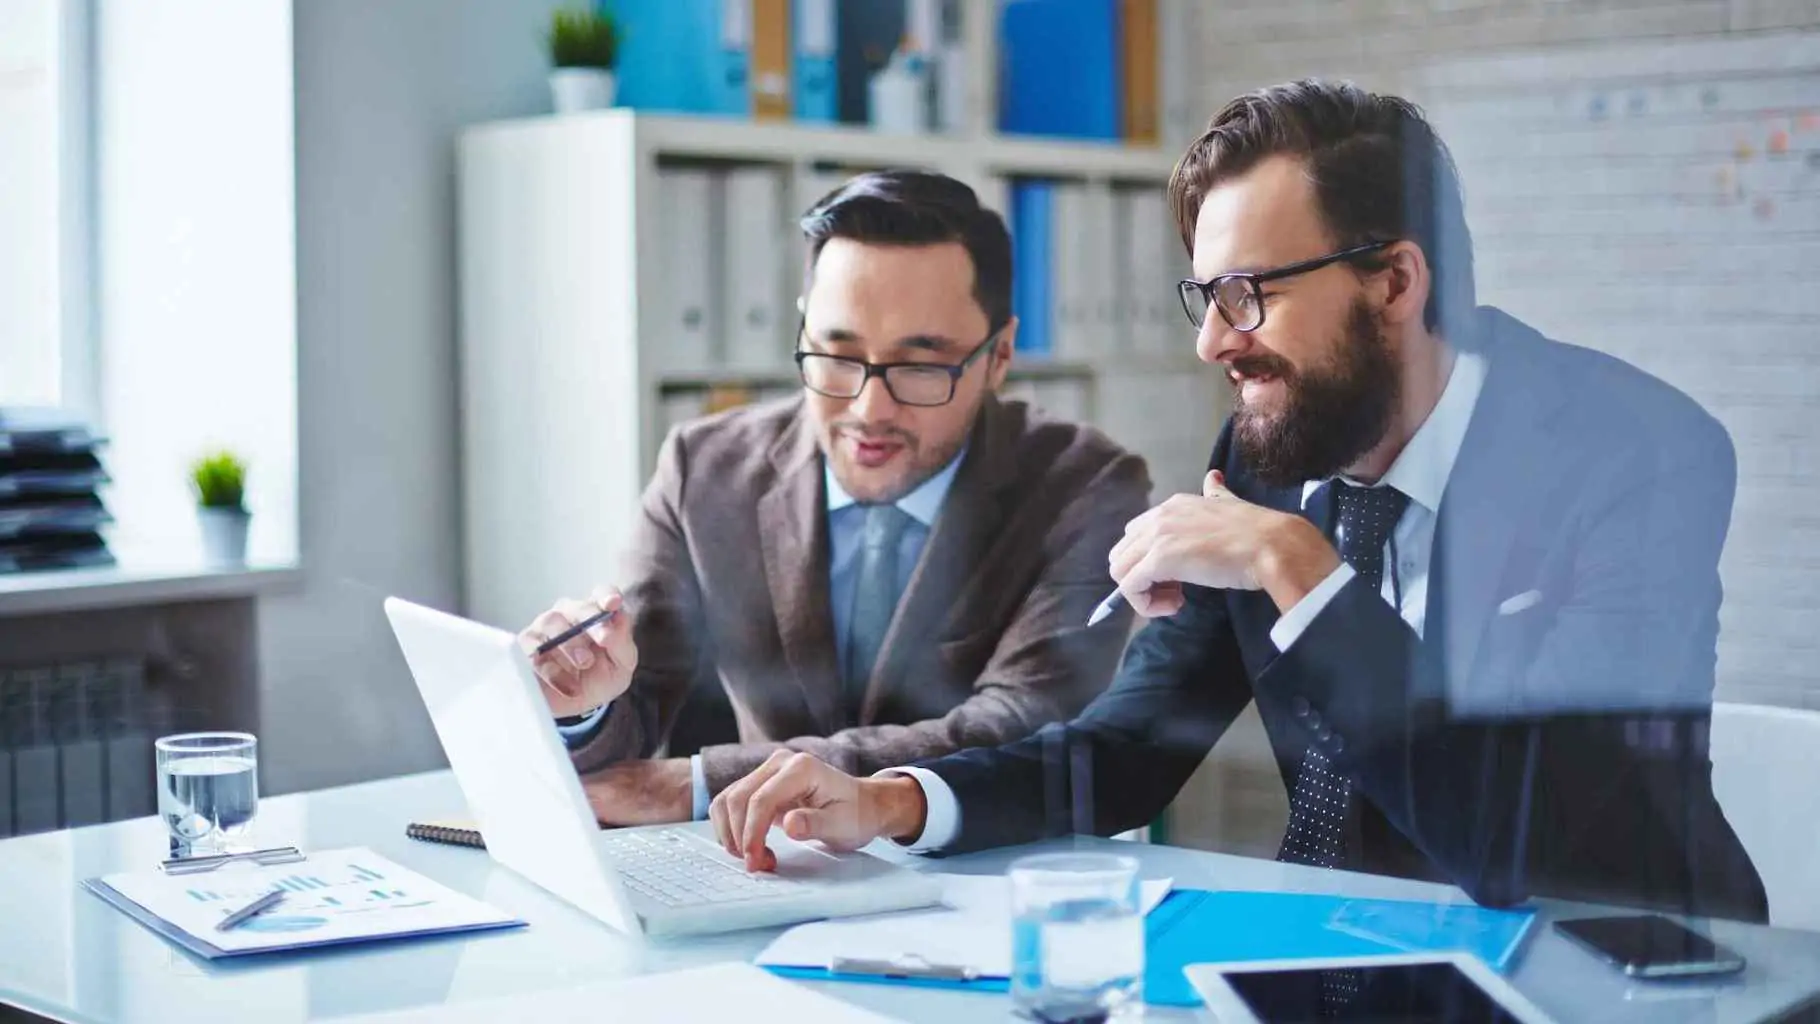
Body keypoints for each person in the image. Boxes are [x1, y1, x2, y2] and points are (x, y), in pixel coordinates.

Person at [708, 81, 1769, 923]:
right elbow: (1126, 750)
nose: (1212, 341)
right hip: (1337, 960)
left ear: (1393, 284)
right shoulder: (1267, 455)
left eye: (1246, 294)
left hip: (1622, 963)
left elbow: (1517, 835)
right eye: (1202, 296)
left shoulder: (1634, 458)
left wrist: (1301, 572)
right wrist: (892, 801)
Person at [517, 170, 1151, 827]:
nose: (869, 409)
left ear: (1000, 356)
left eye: (921, 366)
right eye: (837, 356)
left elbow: (1020, 728)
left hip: (981, 874)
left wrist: (705, 781)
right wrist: (581, 701)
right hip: (758, 872)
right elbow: (636, 703)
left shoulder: (1087, 486)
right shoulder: (702, 469)